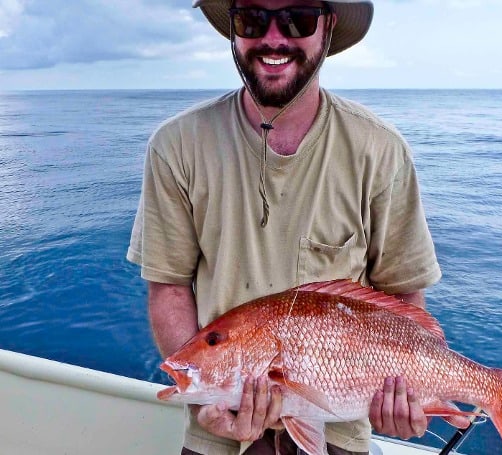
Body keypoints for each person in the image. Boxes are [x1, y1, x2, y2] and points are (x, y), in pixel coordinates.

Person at [127, 0, 446, 453]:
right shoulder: (176, 146)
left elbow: (403, 294)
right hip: (216, 436)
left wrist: (412, 395)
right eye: (252, 18)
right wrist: (208, 403)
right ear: (234, 30)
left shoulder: (381, 150)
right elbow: (169, 285)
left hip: (339, 430)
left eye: (298, 18)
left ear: (328, 26)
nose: (273, 38)